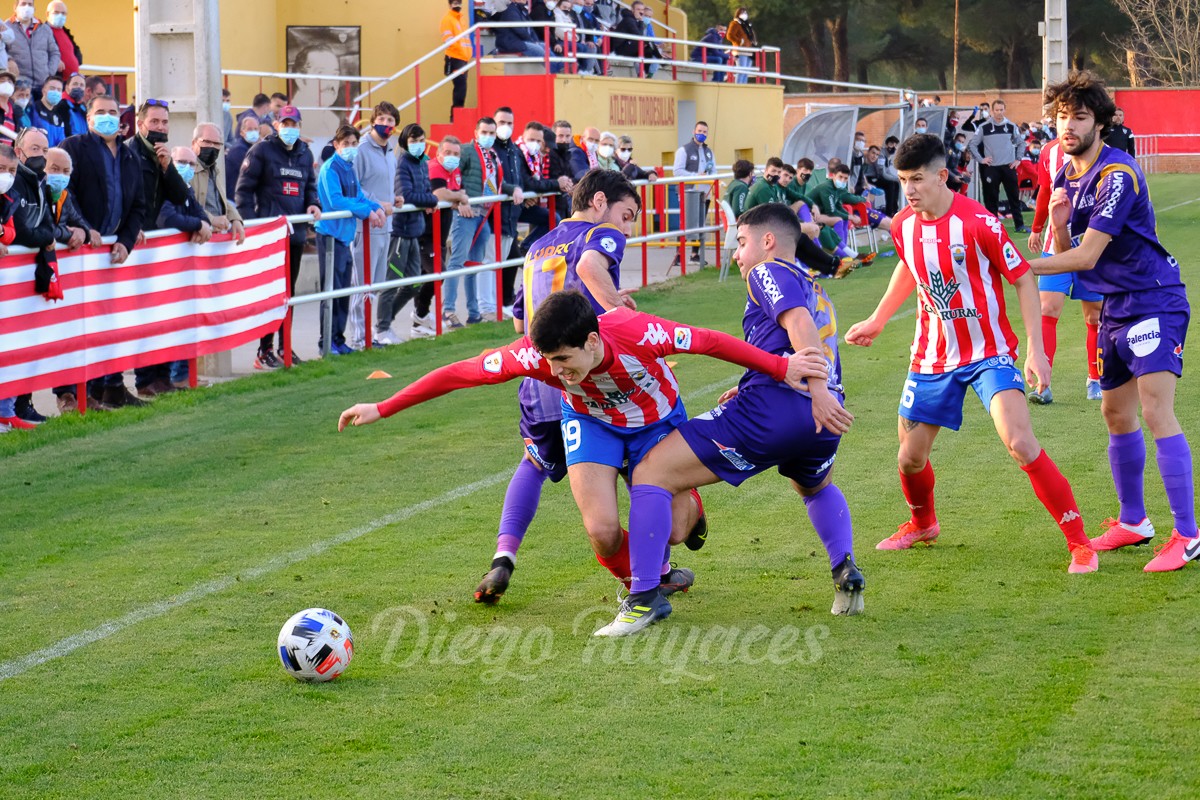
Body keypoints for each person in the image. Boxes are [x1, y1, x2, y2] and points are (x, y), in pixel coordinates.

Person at [340, 289, 822, 611]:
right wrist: (383, 407)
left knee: (676, 528)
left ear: (592, 341)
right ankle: (644, 587)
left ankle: (687, 513)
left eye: (564, 360)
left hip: (656, 424)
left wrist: (782, 369)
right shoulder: (538, 357)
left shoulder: (637, 332)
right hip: (592, 426)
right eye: (549, 361)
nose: (557, 372)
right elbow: (461, 372)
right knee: (602, 530)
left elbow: (711, 342)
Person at [842, 133, 1096, 574]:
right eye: (903, 180)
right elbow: (909, 265)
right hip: (931, 357)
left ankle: (1080, 543)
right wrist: (878, 319)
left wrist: (1036, 349)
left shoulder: (980, 222)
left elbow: (1022, 279)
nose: (910, 189)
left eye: (918, 179)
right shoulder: (904, 224)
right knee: (909, 457)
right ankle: (923, 524)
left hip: (989, 353)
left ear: (942, 176)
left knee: (1020, 443)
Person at [616, 202, 862, 637]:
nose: (736, 254)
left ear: (768, 242)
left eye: (742, 242)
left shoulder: (766, 271)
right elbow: (787, 339)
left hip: (784, 408)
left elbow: (799, 327)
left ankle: (643, 596)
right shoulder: (813, 284)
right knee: (814, 487)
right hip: (819, 421)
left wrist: (816, 392)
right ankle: (846, 571)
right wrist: (758, 381)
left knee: (651, 469)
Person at [1031, 71, 1195, 572]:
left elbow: (1086, 257)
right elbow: (1069, 252)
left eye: (1079, 116)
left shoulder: (1116, 176)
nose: (1069, 125)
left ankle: (1188, 534)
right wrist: (1057, 227)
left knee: (1153, 411)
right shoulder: (1066, 175)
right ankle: (1133, 522)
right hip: (1114, 306)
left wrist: (1012, 265)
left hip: (1153, 299)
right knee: (1115, 414)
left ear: (1099, 122)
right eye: (1062, 116)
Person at [474, 168, 645, 602]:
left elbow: (519, 318)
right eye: (627, 215)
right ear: (601, 202)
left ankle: (503, 558)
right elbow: (589, 268)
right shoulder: (600, 237)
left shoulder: (537, 246)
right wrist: (619, 310)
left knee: (533, 462)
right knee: (635, 460)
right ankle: (653, 570)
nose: (627, 228)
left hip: (539, 379)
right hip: (587, 379)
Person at [59, 95, 148, 409]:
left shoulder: (129, 157)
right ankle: (69, 394)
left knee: (107, 323)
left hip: (110, 255)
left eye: (113, 112)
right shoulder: (73, 148)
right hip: (76, 250)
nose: (108, 117)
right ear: (88, 117)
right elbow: (63, 193)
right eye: (101, 112)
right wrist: (84, 227)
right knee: (72, 324)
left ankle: (105, 389)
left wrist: (125, 240)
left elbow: (138, 206)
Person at [235, 104, 321, 368]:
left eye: (294, 124)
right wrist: (252, 226)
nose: (290, 128)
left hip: (294, 236)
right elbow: (243, 192)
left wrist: (313, 203)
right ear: (276, 124)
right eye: (285, 123)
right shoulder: (261, 150)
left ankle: (286, 347)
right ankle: (264, 350)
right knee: (270, 294)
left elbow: (309, 186)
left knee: (289, 294)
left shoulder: (305, 153)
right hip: (270, 237)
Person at [1024, 135, 1101, 406]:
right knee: (1047, 309)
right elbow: (1045, 190)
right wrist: (1036, 227)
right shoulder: (1048, 152)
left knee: (1094, 316)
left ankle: (1095, 378)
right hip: (1054, 247)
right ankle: (1043, 385)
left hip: (1090, 246)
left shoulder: (1103, 152)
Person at [443, 116, 523, 326]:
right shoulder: (468, 151)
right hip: (467, 213)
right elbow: (452, 175)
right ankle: (448, 310)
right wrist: (459, 199)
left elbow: (496, 182)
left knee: (474, 264)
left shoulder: (492, 155)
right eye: (484, 132)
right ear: (476, 132)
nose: (488, 136)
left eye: (491, 132)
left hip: (483, 215)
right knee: (457, 261)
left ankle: (473, 312)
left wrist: (512, 189)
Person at [313, 124, 385, 355]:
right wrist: (367, 212)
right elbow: (336, 201)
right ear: (336, 145)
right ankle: (326, 342)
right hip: (330, 236)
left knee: (344, 290)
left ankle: (338, 339)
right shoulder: (330, 168)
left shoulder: (349, 167)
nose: (351, 148)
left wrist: (375, 207)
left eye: (354, 144)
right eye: (346, 144)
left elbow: (358, 196)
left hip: (345, 237)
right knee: (331, 290)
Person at [348, 101, 400, 348]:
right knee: (362, 283)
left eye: (391, 121)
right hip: (365, 225)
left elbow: (386, 184)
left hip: (385, 225)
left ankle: (368, 334)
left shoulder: (390, 150)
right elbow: (354, 186)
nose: (386, 124)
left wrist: (393, 198)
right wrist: (376, 202)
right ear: (372, 121)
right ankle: (360, 337)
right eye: (382, 119)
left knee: (375, 283)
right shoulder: (360, 149)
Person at [387, 123, 439, 341]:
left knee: (414, 283)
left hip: (415, 229)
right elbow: (407, 194)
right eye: (413, 140)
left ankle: (384, 321)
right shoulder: (403, 163)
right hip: (400, 231)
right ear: (404, 143)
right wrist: (433, 200)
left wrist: (429, 198)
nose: (418, 145)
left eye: (421, 140)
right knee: (391, 282)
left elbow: (425, 190)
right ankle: (380, 326)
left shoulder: (421, 164)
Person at [968, 98, 1030, 233]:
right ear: (992, 111)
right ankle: (993, 227)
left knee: (1014, 197)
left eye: (1001, 110)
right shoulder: (984, 127)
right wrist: (981, 159)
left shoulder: (1011, 126)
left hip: (1009, 166)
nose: (999, 113)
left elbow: (1021, 143)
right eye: (996, 110)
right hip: (991, 168)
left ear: (1005, 110)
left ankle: (1019, 225)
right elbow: (972, 144)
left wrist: (1018, 159)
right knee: (991, 199)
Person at [426, 135, 468, 329]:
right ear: (438, 153)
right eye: (448, 153)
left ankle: (421, 316)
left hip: (441, 231)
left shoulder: (455, 170)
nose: (452, 157)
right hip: (426, 230)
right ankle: (420, 314)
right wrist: (457, 197)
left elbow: (461, 193)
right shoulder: (435, 167)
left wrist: (457, 197)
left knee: (430, 275)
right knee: (430, 275)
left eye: (456, 154)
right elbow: (439, 194)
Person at [672, 121, 717, 263]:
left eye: (705, 132)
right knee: (685, 224)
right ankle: (678, 255)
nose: (702, 134)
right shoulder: (684, 150)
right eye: (700, 131)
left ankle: (694, 254)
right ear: (694, 131)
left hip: (704, 192)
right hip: (688, 192)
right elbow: (677, 171)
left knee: (700, 223)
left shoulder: (709, 152)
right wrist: (696, 176)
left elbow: (714, 170)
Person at [7, 0, 61, 88]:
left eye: (30, 4)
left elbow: (54, 52)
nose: (27, 7)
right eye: (23, 4)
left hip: (43, 85)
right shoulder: (6, 28)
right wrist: (9, 60)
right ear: (15, 8)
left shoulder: (44, 29)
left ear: (34, 8)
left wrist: (49, 73)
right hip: (19, 85)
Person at [440, 0, 471, 120]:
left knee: (462, 86)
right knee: (460, 86)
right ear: (450, 4)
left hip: (463, 58)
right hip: (455, 57)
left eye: (459, 2)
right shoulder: (448, 20)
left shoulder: (461, 20)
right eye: (454, 3)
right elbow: (448, 40)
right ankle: (456, 116)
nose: (457, 5)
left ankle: (458, 113)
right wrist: (459, 52)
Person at [224, 114, 260, 197]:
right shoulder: (239, 150)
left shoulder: (252, 148)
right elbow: (253, 171)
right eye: (250, 129)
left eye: (256, 129)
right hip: (234, 197)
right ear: (242, 132)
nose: (253, 132)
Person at [45, 1, 80, 79]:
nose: (60, 15)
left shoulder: (66, 32)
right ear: (47, 14)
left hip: (71, 81)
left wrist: (77, 62)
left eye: (63, 13)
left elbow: (76, 50)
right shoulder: (42, 32)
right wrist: (54, 60)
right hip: (56, 80)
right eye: (56, 12)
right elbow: (39, 52)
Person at [725, 6, 757, 84]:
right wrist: (740, 41)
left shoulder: (747, 24)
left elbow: (751, 34)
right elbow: (729, 35)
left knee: (746, 72)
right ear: (738, 14)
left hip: (749, 51)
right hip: (740, 50)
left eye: (745, 12)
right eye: (742, 12)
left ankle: (743, 88)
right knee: (741, 71)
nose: (744, 14)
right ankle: (738, 88)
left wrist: (754, 41)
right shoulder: (735, 23)